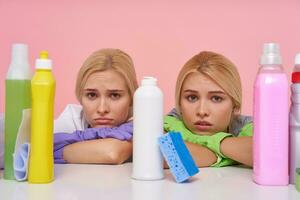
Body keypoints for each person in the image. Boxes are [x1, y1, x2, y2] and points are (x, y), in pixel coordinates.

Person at [164, 51, 253, 167]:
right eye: (192, 97)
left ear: (235, 105)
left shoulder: (246, 126)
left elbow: (270, 158)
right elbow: (162, 156)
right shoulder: (171, 121)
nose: (202, 111)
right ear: (179, 103)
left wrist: (202, 148)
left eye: (216, 98)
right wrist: (227, 152)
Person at [54, 48, 138, 164]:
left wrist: (55, 150)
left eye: (114, 95)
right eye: (92, 95)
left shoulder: (142, 121)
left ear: (132, 98)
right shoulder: (72, 118)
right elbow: (37, 148)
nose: (102, 109)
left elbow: (111, 152)